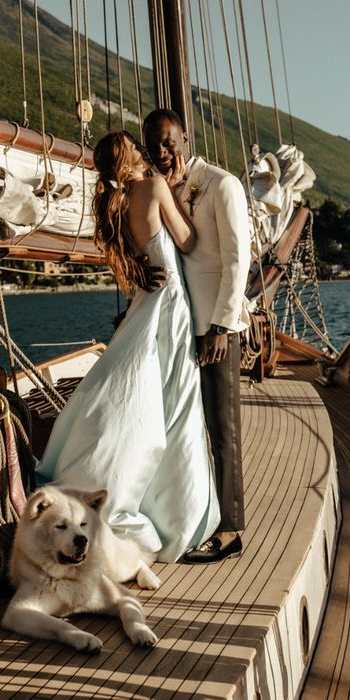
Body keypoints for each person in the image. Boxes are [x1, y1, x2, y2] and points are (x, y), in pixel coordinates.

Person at [34, 130, 220, 563]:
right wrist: (186, 201)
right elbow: (189, 240)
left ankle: (152, 500)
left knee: (150, 400)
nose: (144, 151)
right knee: (179, 408)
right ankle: (182, 521)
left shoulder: (117, 205)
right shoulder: (153, 187)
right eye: (137, 148)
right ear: (129, 159)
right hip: (171, 303)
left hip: (146, 301)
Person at [143, 109, 250, 563]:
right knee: (190, 431)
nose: (163, 153)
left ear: (185, 138)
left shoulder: (222, 185)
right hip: (182, 327)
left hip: (216, 330)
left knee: (223, 433)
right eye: (154, 146)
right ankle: (197, 518)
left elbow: (237, 262)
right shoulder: (164, 190)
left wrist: (222, 327)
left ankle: (230, 531)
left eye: (169, 143)